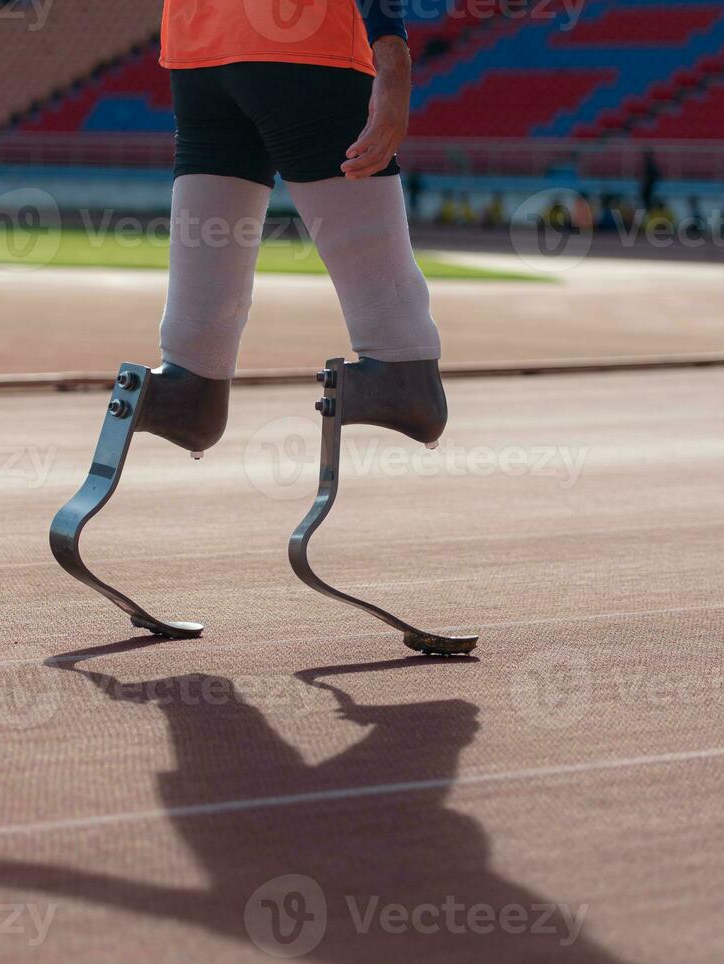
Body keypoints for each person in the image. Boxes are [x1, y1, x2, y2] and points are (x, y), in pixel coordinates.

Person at [51, 0, 454, 639]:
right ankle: (396, 383)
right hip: (305, 46)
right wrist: (394, 61)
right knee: (400, 347)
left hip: (201, 53)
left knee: (195, 359)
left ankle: (179, 394)